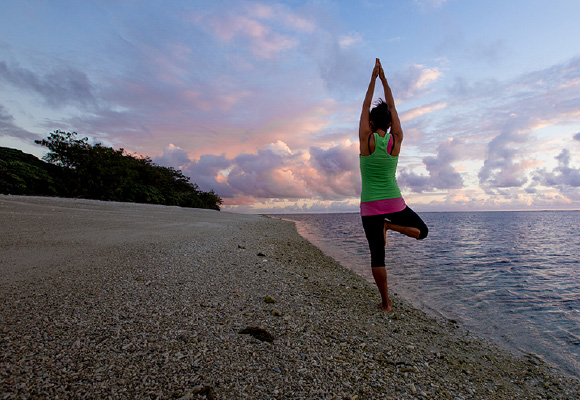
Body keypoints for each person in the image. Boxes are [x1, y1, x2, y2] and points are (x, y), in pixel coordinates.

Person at [359, 58, 428, 312]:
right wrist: (385, 80)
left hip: (369, 205)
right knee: (423, 231)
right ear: (389, 124)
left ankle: (386, 303)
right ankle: (390, 226)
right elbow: (395, 109)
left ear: (371, 122)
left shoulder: (365, 140)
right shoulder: (395, 141)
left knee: (377, 255)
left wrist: (372, 80)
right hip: (393, 202)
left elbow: (366, 105)